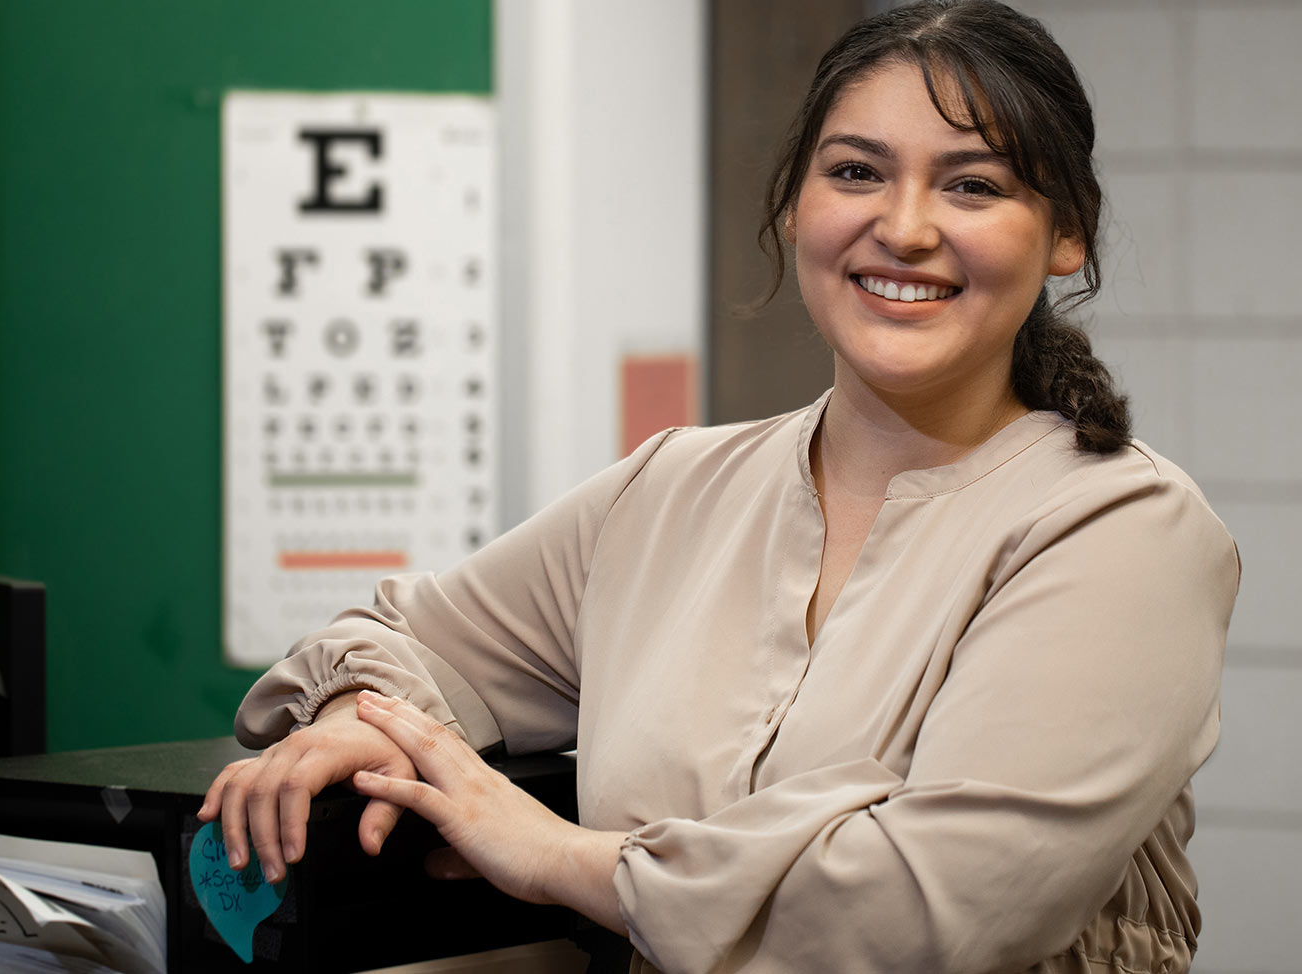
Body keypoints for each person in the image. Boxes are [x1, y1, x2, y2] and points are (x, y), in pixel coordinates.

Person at [199, 1, 1240, 971]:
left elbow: (929, 909)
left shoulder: (1123, 532)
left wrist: (559, 855)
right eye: (857, 172)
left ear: (1067, 234)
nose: (907, 227)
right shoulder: (672, 492)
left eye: (973, 184)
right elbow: (401, 635)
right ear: (795, 206)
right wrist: (364, 718)